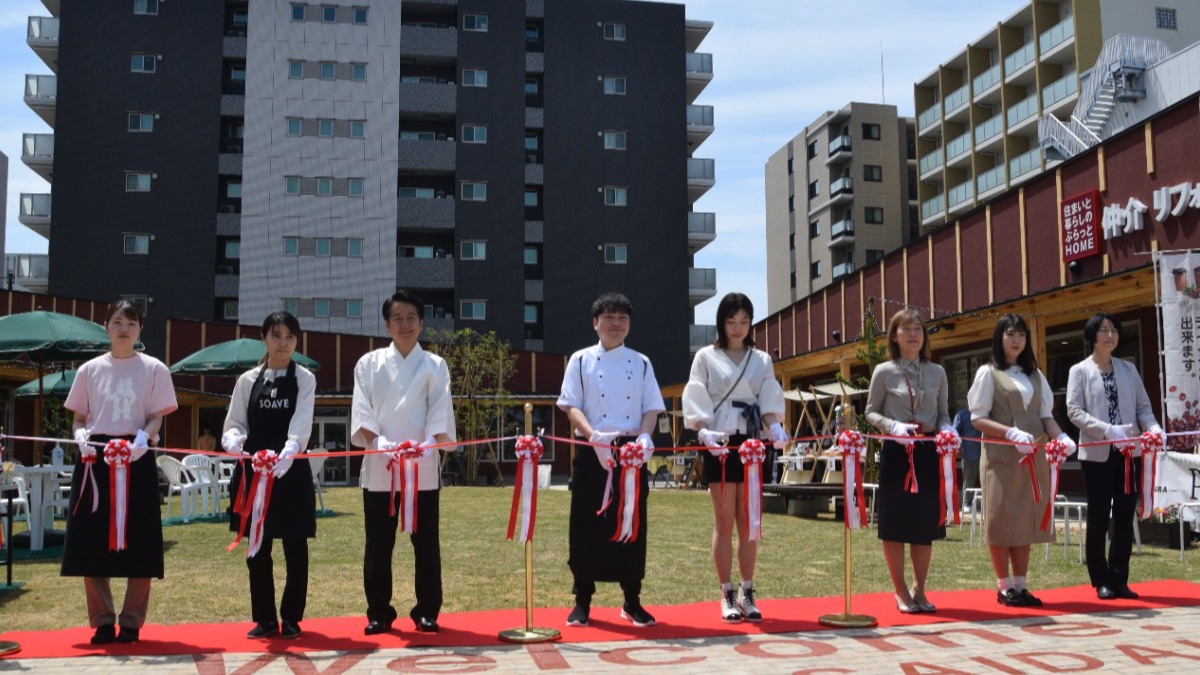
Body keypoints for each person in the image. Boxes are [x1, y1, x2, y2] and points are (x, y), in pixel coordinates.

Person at [61, 300, 178, 645]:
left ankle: (131, 621)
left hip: (136, 454)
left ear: (140, 329)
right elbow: (79, 418)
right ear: (106, 326)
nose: (123, 329)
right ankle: (101, 620)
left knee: (141, 537)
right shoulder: (89, 370)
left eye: (131, 323)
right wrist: (81, 437)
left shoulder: (155, 368)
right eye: (117, 322)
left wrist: (144, 437)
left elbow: (156, 416)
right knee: (91, 539)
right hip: (95, 459)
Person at [351, 290, 457, 635]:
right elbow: (362, 409)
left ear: (422, 323)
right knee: (378, 544)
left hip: (421, 466)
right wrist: (378, 443)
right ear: (387, 324)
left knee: (426, 543)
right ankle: (379, 612)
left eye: (411, 318)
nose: (405, 324)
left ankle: (427, 610)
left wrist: (429, 443)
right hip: (380, 467)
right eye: (397, 318)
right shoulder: (368, 364)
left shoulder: (435, 365)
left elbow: (439, 409)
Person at [557, 292, 665, 628]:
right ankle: (582, 601)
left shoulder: (642, 362)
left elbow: (651, 407)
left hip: (631, 454)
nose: (616, 324)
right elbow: (571, 406)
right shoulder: (579, 360)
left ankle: (632, 600)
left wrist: (645, 437)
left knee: (632, 524)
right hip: (593, 448)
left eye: (622, 318)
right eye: (609, 317)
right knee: (584, 524)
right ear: (595, 323)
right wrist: (593, 435)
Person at [683, 292, 786, 623]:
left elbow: (768, 397)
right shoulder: (705, 356)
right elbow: (696, 394)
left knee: (750, 521)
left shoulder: (762, 359)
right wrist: (703, 431)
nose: (738, 328)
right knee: (725, 520)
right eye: (731, 321)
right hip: (720, 442)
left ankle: (748, 591)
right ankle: (726, 591)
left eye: (744, 321)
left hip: (753, 442)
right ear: (721, 323)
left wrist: (775, 427)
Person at [221, 311, 317, 639]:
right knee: (257, 546)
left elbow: (302, 420)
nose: (282, 343)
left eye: (289, 337)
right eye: (276, 335)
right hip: (254, 469)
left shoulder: (304, 378)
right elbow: (235, 422)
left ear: (297, 341)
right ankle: (264, 618)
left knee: (295, 546)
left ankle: (291, 617)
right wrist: (234, 441)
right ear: (264, 337)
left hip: (290, 466)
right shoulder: (247, 380)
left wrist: (291, 450)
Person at [968, 314, 1075, 607]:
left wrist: (1061, 437)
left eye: (1021, 335)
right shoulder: (988, 373)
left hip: (1033, 456)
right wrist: (1010, 433)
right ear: (999, 338)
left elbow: (1045, 416)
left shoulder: (1034, 374)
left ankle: (1021, 584)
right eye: (1010, 334)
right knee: (1002, 519)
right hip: (1001, 459)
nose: (1017, 340)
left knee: (1025, 519)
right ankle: (1004, 587)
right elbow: (977, 418)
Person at [1066, 312, 1161, 601]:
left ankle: (1120, 578)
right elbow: (1074, 411)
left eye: (1114, 330)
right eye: (1104, 330)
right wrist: (1107, 430)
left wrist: (1153, 428)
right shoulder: (1080, 371)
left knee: (1124, 515)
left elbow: (1143, 407)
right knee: (1098, 517)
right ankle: (1101, 580)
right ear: (1092, 336)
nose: (1110, 335)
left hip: (1129, 453)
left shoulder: (1128, 369)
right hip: (1097, 453)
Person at [865, 308, 955, 614]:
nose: (913, 334)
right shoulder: (884, 371)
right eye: (906, 329)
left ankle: (920, 588)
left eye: (918, 328)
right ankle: (900, 590)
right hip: (897, 450)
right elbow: (870, 411)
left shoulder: (937, 372)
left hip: (928, 451)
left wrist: (947, 429)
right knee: (894, 523)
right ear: (894, 336)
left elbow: (943, 413)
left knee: (923, 524)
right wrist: (892, 426)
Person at [953, 407, 983, 511]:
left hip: (986, 453)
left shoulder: (987, 413)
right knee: (969, 478)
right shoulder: (962, 414)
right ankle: (967, 503)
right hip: (969, 452)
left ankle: (988, 503)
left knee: (987, 479)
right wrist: (957, 448)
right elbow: (955, 432)